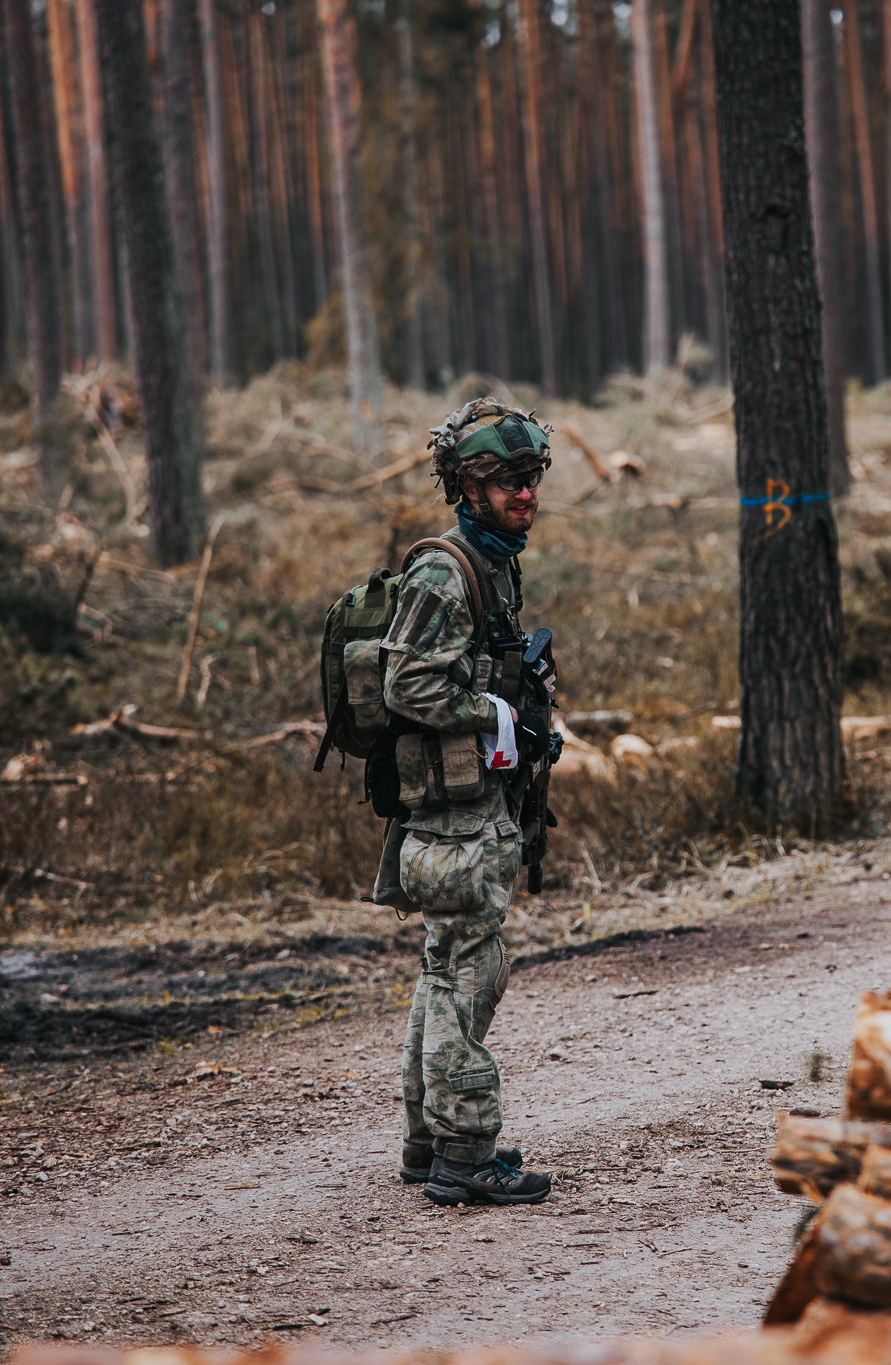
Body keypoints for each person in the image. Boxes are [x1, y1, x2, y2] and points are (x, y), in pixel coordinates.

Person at [381, 401, 556, 1207]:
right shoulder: (445, 572)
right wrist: (492, 714)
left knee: (445, 965)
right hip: (453, 820)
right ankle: (464, 1152)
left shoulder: (492, 564)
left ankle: (429, 1143)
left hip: (471, 809)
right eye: (507, 480)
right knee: (469, 971)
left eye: (531, 476)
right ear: (467, 488)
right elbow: (407, 683)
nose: (525, 492)